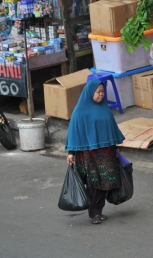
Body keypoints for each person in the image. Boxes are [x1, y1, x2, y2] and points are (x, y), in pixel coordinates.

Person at [65, 80, 125, 225]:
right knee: (94, 183)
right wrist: (71, 152)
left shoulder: (104, 108)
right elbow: (74, 132)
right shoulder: (80, 111)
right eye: (98, 92)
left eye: (102, 92)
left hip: (106, 153)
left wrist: (116, 146)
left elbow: (111, 127)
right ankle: (94, 213)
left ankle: (99, 209)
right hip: (89, 153)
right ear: (90, 92)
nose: (101, 95)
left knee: (106, 182)